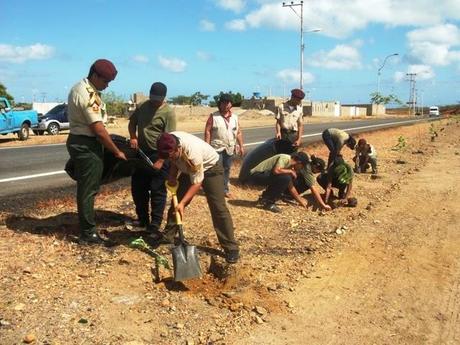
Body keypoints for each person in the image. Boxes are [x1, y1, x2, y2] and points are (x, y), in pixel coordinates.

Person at [153, 131, 240, 264]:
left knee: (218, 207)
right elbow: (174, 161)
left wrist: (182, 203)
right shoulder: (167, 140)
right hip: (189, 170)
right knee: (175, 204)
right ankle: (168, 236)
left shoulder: (193, 152)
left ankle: (231, 247)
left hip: (210, 168)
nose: (169, 158)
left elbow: (197, 183)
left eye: (171, 155)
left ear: (178, 148)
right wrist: (172, 176)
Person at [66, 59, 127, 245]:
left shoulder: (84, 88)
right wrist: (117, 152)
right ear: (95, 75)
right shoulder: (87, 94)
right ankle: (88, 233)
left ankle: (87, 225)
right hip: (86, 144)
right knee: (88, 189)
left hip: (84, 141)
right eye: (105, 81)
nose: (107, 86)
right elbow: (98, 129)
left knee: (89, 186)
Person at [128, 82, 176, 236]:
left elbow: (170, 140)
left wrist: (161, 161)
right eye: (153, 98)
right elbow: (132, 123)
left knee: (157, 190)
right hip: (141, 153)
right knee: (138, 188)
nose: (155, 101)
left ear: (163, 98)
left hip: (160, 154)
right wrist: (133, 137)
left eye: (158, 99)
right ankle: (143, 219)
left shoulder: (168, 112)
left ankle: (154, 225)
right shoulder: (142, 106)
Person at [204, 93, 244, 198]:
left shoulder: (235, 117)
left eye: (228, 103)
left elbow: (238, 132)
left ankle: (225, 189)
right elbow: (207, 131)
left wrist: (241, 145)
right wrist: (207, 146)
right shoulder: (214, 116)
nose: (226, 105)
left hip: (229, 147)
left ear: (231, 104)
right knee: (215, 169)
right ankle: (213, 189)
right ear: (220, 104)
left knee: (226, 168)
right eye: (224, 102)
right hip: (216, 147)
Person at [248, 152, 316, 213]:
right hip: (256, 175)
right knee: (285, 178)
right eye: (302, 166)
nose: (301, 168)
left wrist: (301, 201)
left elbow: (291, 187)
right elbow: (276, 171)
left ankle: (265, 198)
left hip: (264, 175)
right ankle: (269, 203)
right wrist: (291, 171)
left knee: (285, 178)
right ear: (299, 162)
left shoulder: (289, 167)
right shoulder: (285, 158)